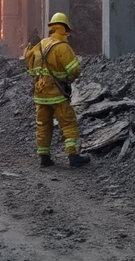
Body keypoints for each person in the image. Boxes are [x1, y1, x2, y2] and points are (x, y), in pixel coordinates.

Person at [25, 12, 90, 168]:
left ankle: (44, 158)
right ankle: (73, 156)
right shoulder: (62, 48)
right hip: (58, 94)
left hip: (40, 94)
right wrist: (68, 79)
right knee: (68, 123)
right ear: (65, 29)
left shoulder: (40, 45)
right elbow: (74, 70)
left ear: (51, 28)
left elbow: (30, 66)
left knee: (43, 124)